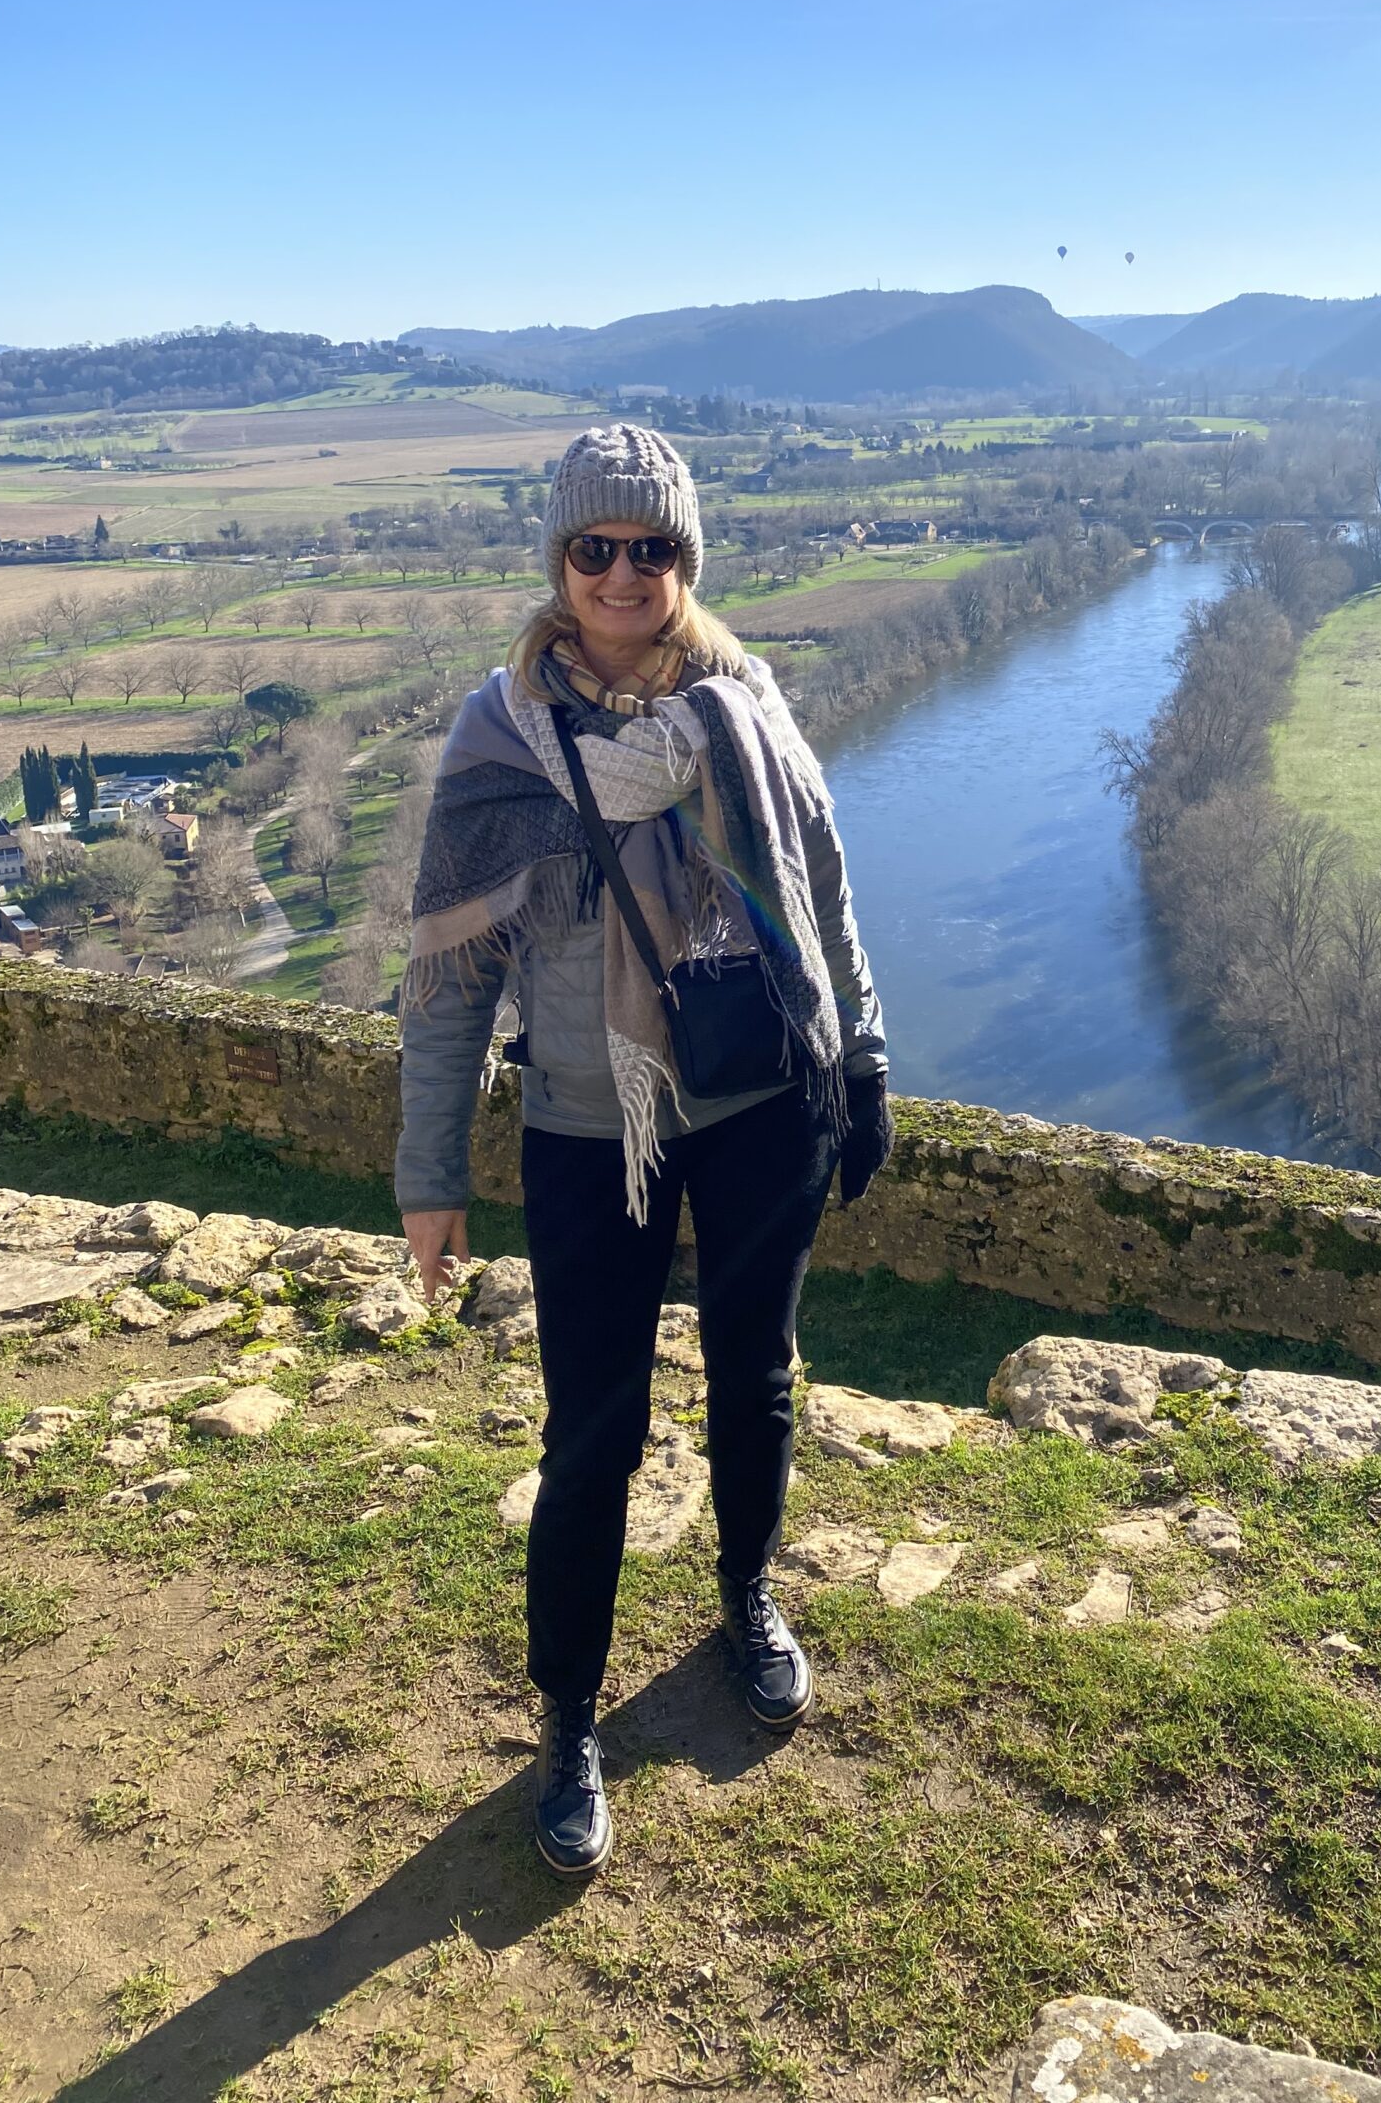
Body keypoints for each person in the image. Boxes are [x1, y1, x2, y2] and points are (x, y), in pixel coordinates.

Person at [394, 423, 891, 1879]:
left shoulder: (747, 705)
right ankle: (568, 1718)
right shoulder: (501, 743)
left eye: (653, 547)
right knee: (593, 1436)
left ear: (688, 559)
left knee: (757, 1376)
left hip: (761, 1104)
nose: (623, 573)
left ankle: (745, 1595)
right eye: (595, 547)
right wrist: (430, 1175)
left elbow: (823, 893)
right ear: (558, 561)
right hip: (584, 1126)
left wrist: (862, 1056)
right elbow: (447, 985)